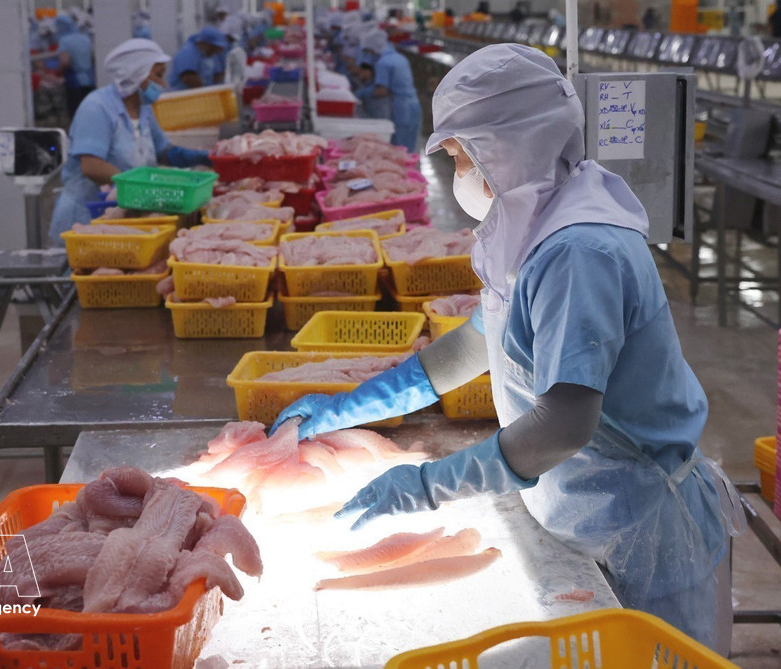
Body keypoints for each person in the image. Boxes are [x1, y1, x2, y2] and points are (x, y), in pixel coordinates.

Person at [270, 44, 744, 655]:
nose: (457, 174)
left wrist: (426, 484)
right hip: (583, 506)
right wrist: (351, 407)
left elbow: (564, 425)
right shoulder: (535, 222)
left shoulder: (579, 251)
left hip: (641, 527)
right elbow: (478, 342)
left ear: (506, 146)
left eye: (463, 156)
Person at [48, 39, 212, 246]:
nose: (162, 84)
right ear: (137, 74)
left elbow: (164, 152)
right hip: (87, 218)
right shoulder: (97, 107)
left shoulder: (143, 108)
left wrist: (204, 157)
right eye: (158, 75)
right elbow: (91, 166)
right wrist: (142, 186)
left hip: (129, 214)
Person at [358, 28, 421, 151]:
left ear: (374, 48)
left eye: (368, 51)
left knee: (399, 149)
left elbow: (383, 91)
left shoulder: (383, 63)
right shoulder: (399, 57)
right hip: (414, 106)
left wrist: (364, 93)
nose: (368, 55)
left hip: (401, 109)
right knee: (410, 147)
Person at [55, 13, 95, 119]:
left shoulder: (64, 40)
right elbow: (92, 57)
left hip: (74, 81)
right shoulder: (85, 38)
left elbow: (65, 61)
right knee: (88, 110)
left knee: (75, 112)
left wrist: (58, 72)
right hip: (90, 79)